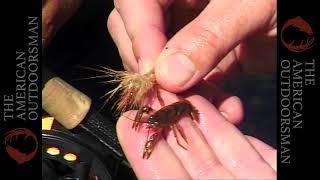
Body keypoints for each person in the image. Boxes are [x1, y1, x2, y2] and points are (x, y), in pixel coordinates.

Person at [43, 0, 277, 179]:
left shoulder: (173, 117)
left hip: (181, 107)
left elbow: (176, 131)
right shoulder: (155, 117)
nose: (151, 127)